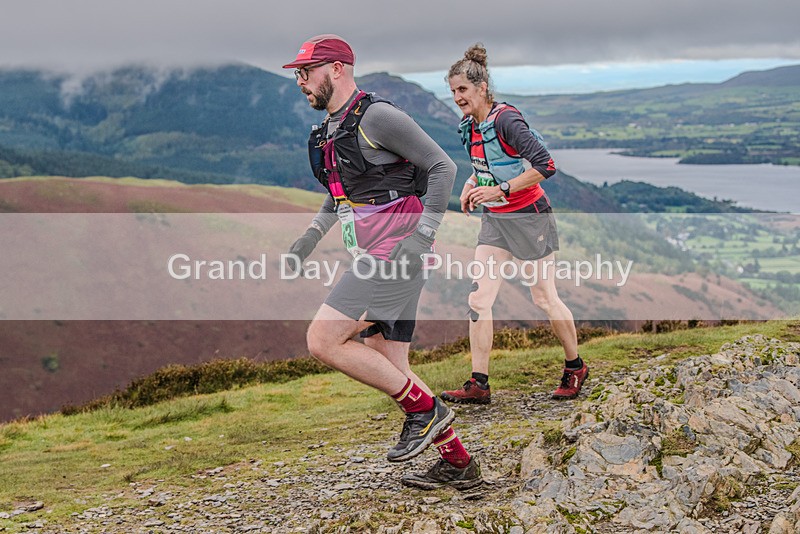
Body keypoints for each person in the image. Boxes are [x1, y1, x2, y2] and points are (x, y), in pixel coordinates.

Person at [282, 34, 482, 490]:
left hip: (396, 249)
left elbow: (442, 168)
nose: (299, 81)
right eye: (296, 73)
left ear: (336, 69)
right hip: (378, 251)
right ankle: (458, 463)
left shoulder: (378, 116)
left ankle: (425, 410)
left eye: (305, 72)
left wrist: (424, 235)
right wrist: (309, 238)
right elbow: (339, 197)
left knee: (323, 339)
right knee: (390, 363)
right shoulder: (326, 131)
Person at [440, 44, 589, 405]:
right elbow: (485, 167)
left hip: (529, 217)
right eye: (453, 91)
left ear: (482, 87)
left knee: (543, 297)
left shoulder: (507, 120)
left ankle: (575, 366)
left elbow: (545, 166)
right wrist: (472, 186)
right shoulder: (469, 127)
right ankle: (479, 383)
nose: (457, 97)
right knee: (479, 298)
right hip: (496, 222)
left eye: (462, 90)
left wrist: (501, 190)